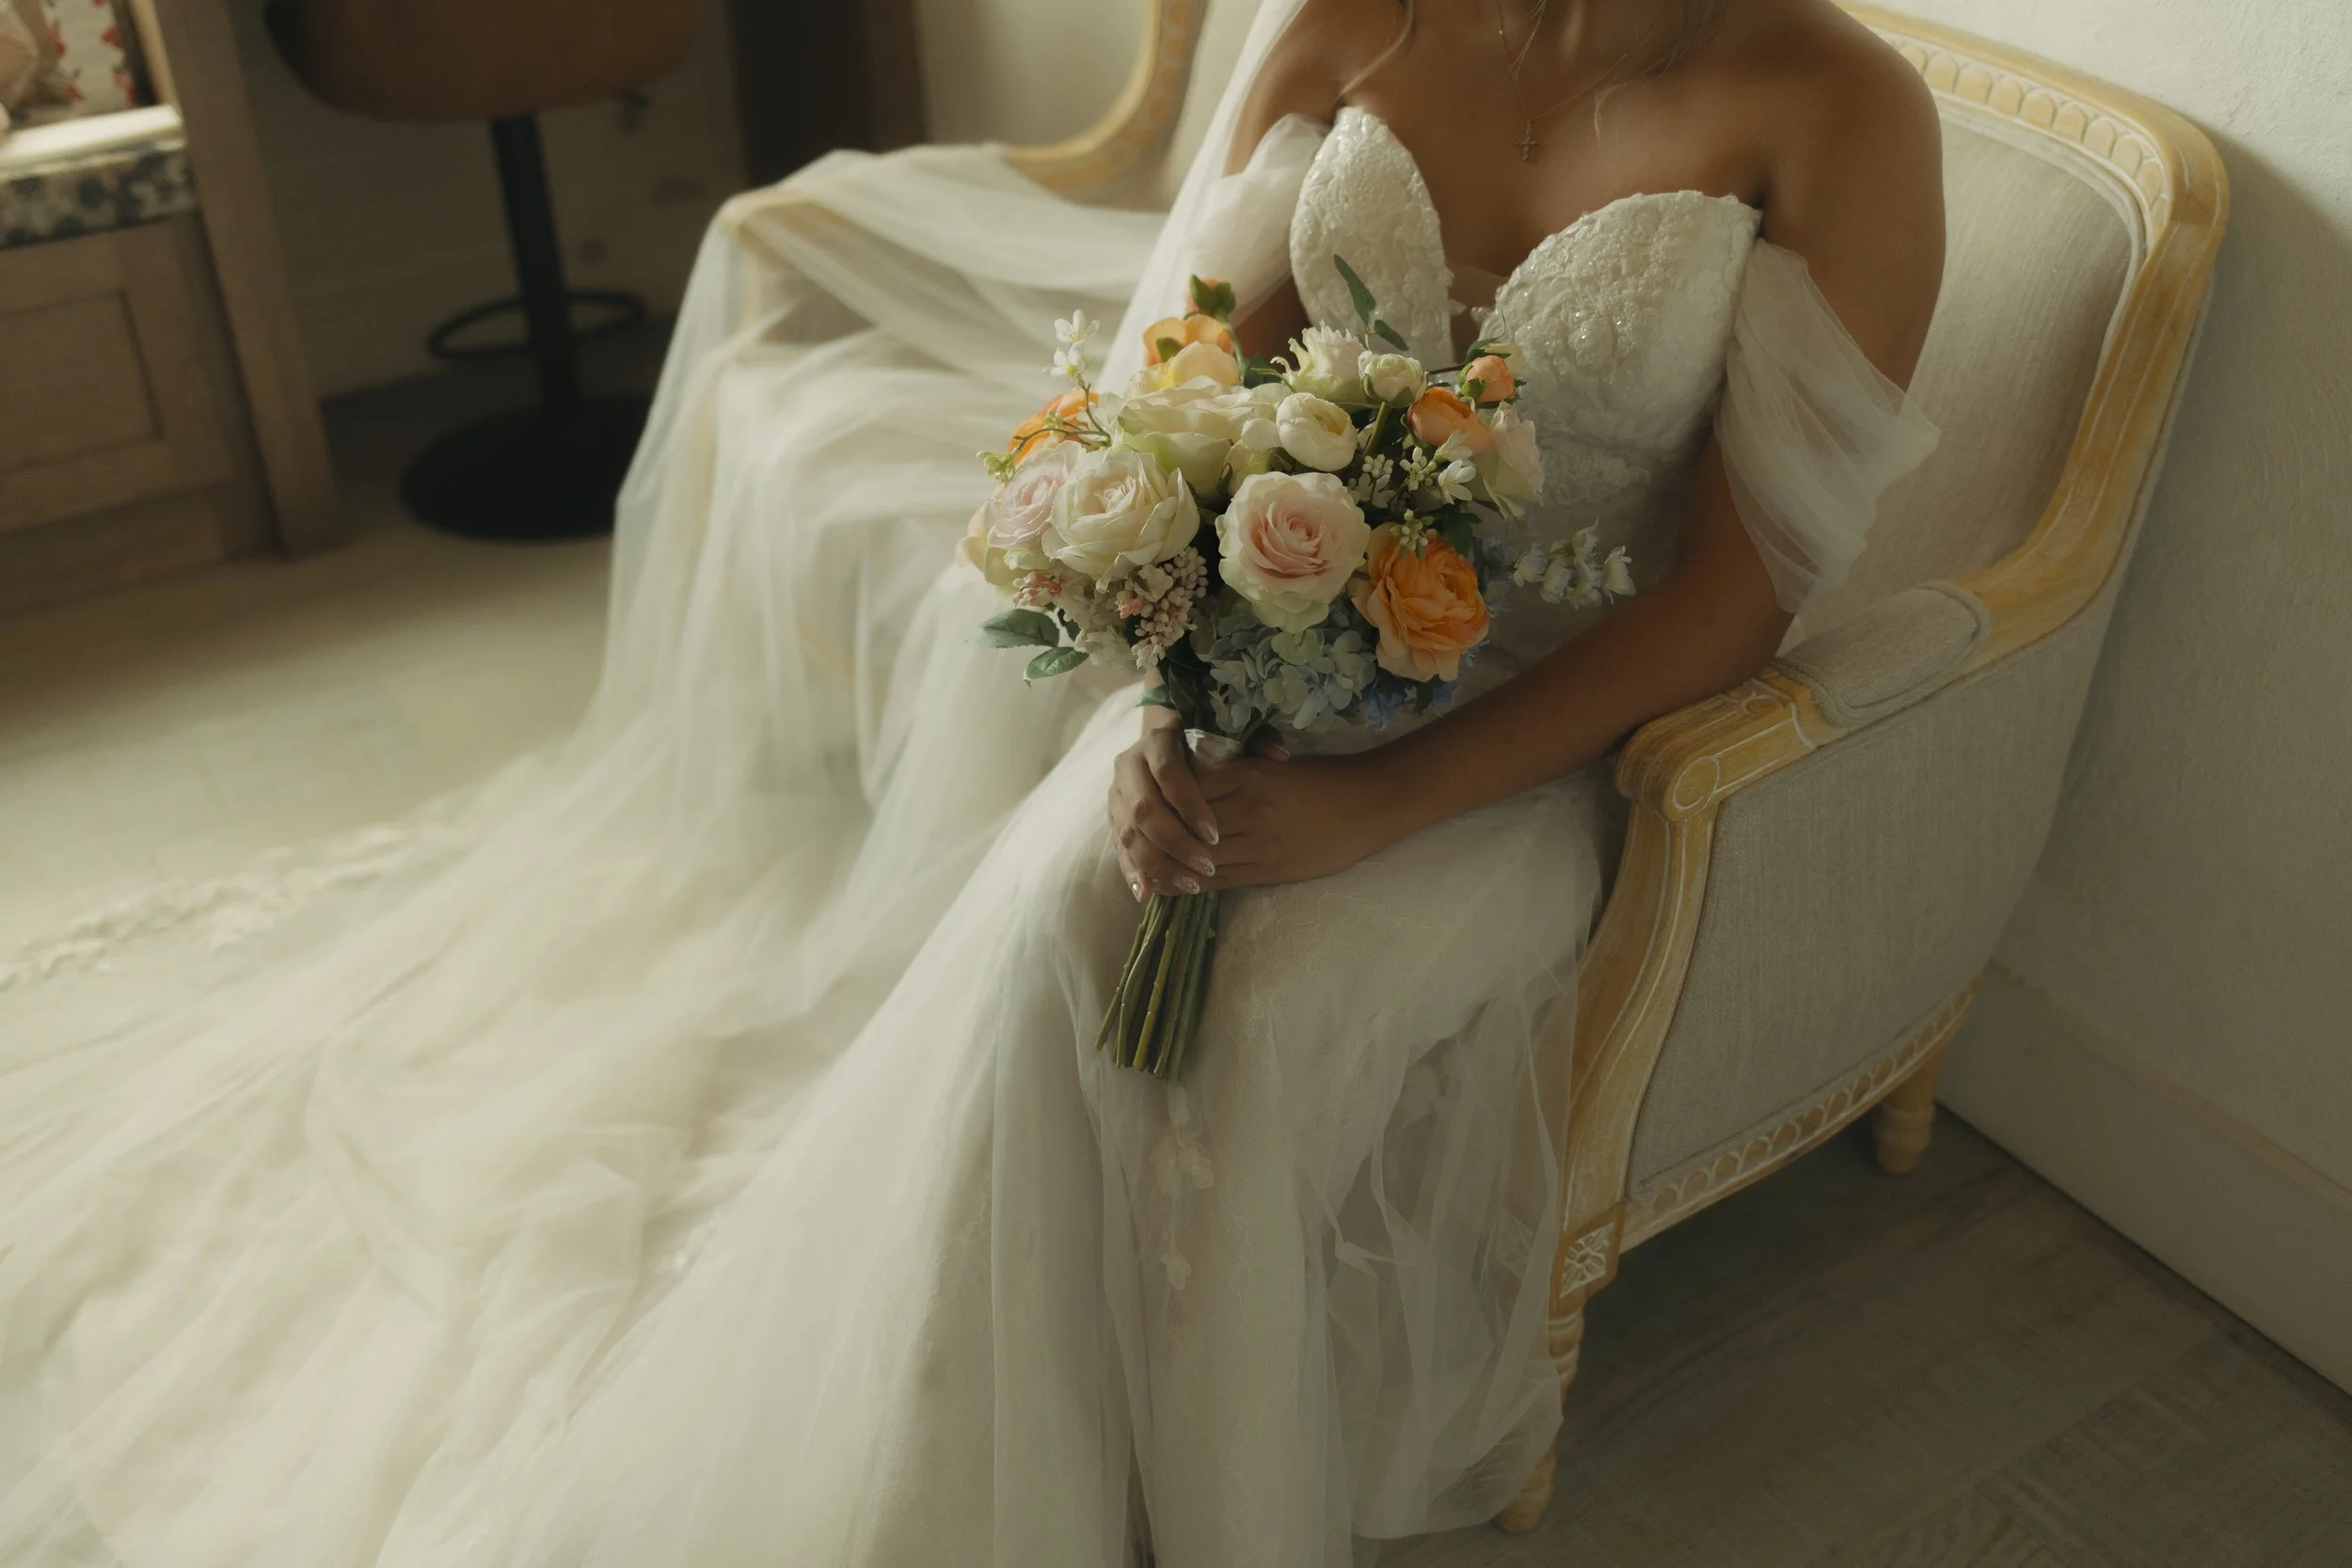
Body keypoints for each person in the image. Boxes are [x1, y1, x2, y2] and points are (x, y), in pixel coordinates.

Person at [0, 1, 1942, 1563]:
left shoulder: (1831, 103)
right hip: (1284, 671)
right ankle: (991, 1451)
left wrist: (1376, 800)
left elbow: (1734, 594)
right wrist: (1176, 700)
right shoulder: (1349, 19)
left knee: (1255, 1014)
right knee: (1061, 918)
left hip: (1545, 734)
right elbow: (1190, 410)